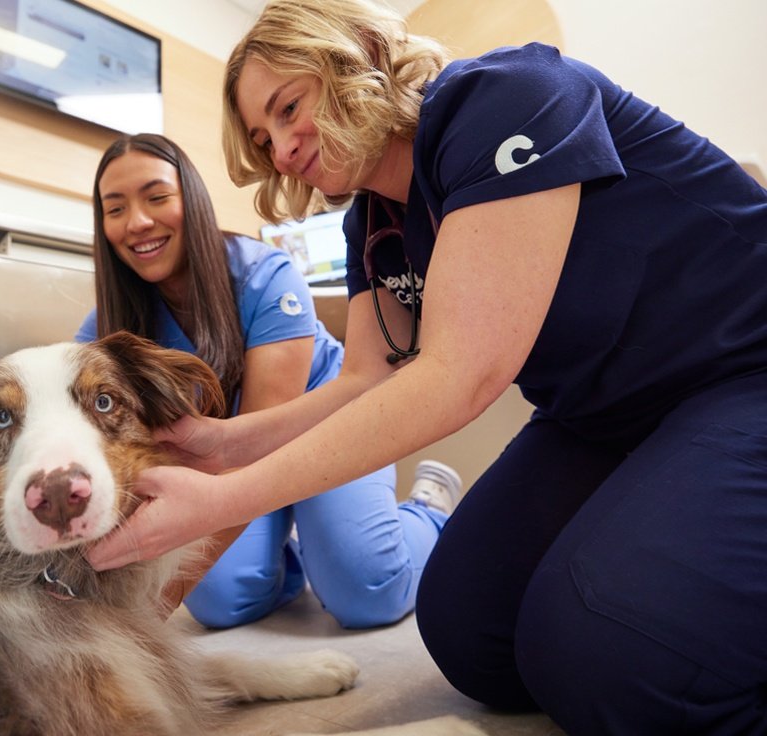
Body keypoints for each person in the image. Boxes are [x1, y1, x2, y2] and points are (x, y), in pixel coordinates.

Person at [84, 0, 767, 733]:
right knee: (469, 633)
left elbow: (456, 376)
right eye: (264, 137)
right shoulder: (370, 222)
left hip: (738, 376)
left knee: (613, 658)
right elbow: (367, 381)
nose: (281, 151)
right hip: (601, 417)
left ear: (366, 51)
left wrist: (223, 500)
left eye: (288, 108)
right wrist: (226, 445)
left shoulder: (508, 95)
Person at [75, 132, 462, 630]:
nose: (139, 222)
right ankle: (300, 558)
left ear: (190, 199)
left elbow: (254, 449)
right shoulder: (106, 325)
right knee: (221, 599)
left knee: (366, 592)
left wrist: (156, 606)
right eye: (115, 209)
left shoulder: (263, 275)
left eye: (156, 197)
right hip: (226, 457)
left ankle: (428, 509)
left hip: (316, 424)